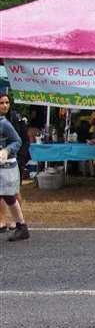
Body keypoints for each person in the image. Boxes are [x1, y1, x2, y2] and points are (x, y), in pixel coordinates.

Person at [0, 92, 29, 240]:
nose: (4, 105)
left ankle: (22, 227)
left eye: (6, 102)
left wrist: (6, 150)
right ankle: (20, 226)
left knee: (10, 196)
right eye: (1, 103)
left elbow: (18, 141)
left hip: (7, 166)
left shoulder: (4, 123)